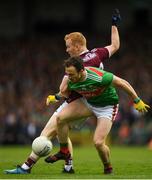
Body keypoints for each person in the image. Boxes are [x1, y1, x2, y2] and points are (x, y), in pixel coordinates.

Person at [4, 9, 121, 174]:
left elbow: (64, 90)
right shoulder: (96, 54)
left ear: (77, 46)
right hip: (90, 100)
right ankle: (67, 166)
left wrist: (57, 95)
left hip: (79, 100)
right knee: (61, 128)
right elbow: (115, 45)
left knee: (48, 131)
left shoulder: (78, 64)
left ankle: (27, 167)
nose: (66, 50)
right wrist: (114, 24)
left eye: (68, 47)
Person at [44, 57, 150, 174]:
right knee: (60, 118)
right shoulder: (70, 79)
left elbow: (122, 83)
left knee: (98, 143)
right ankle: (64, 151)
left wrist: (137, 100)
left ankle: (108, 167)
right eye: (67, 73)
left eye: (72, 74)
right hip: (89, 104)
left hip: (107, 107)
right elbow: (64, 92)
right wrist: (55, 97)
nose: (69, 77)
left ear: (81, 71)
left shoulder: (98, 77)